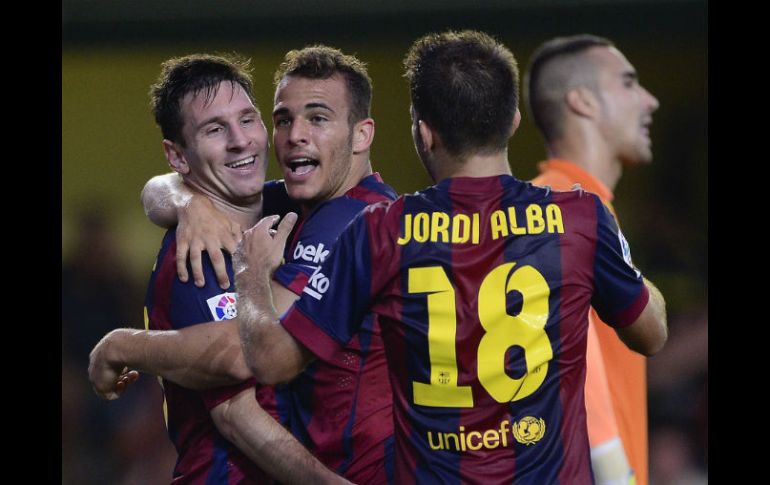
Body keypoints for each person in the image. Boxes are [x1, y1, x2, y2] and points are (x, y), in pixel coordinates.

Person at [234, 30, 667, 484]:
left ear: (423, 132)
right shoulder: (580, 218)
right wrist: (615, 253)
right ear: (513, 121)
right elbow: (652, 334)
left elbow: (273, 362)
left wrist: (250, 274)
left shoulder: (380, 231)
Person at [89, 46, 397, 484]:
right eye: (215, 129)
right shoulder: (198, 254)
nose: (241, 140)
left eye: (248, 120)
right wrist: (185, 201)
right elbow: (236, 404)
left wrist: (121, 345)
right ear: (178, 156)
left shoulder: (313, 211)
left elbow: (248, 352)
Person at [525, 34, 660, 485]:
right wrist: (614, 473)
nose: (650, 100)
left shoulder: (578, 203)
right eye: (629, 83)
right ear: (582, 101)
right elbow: (571, 359)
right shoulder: (560, 206)